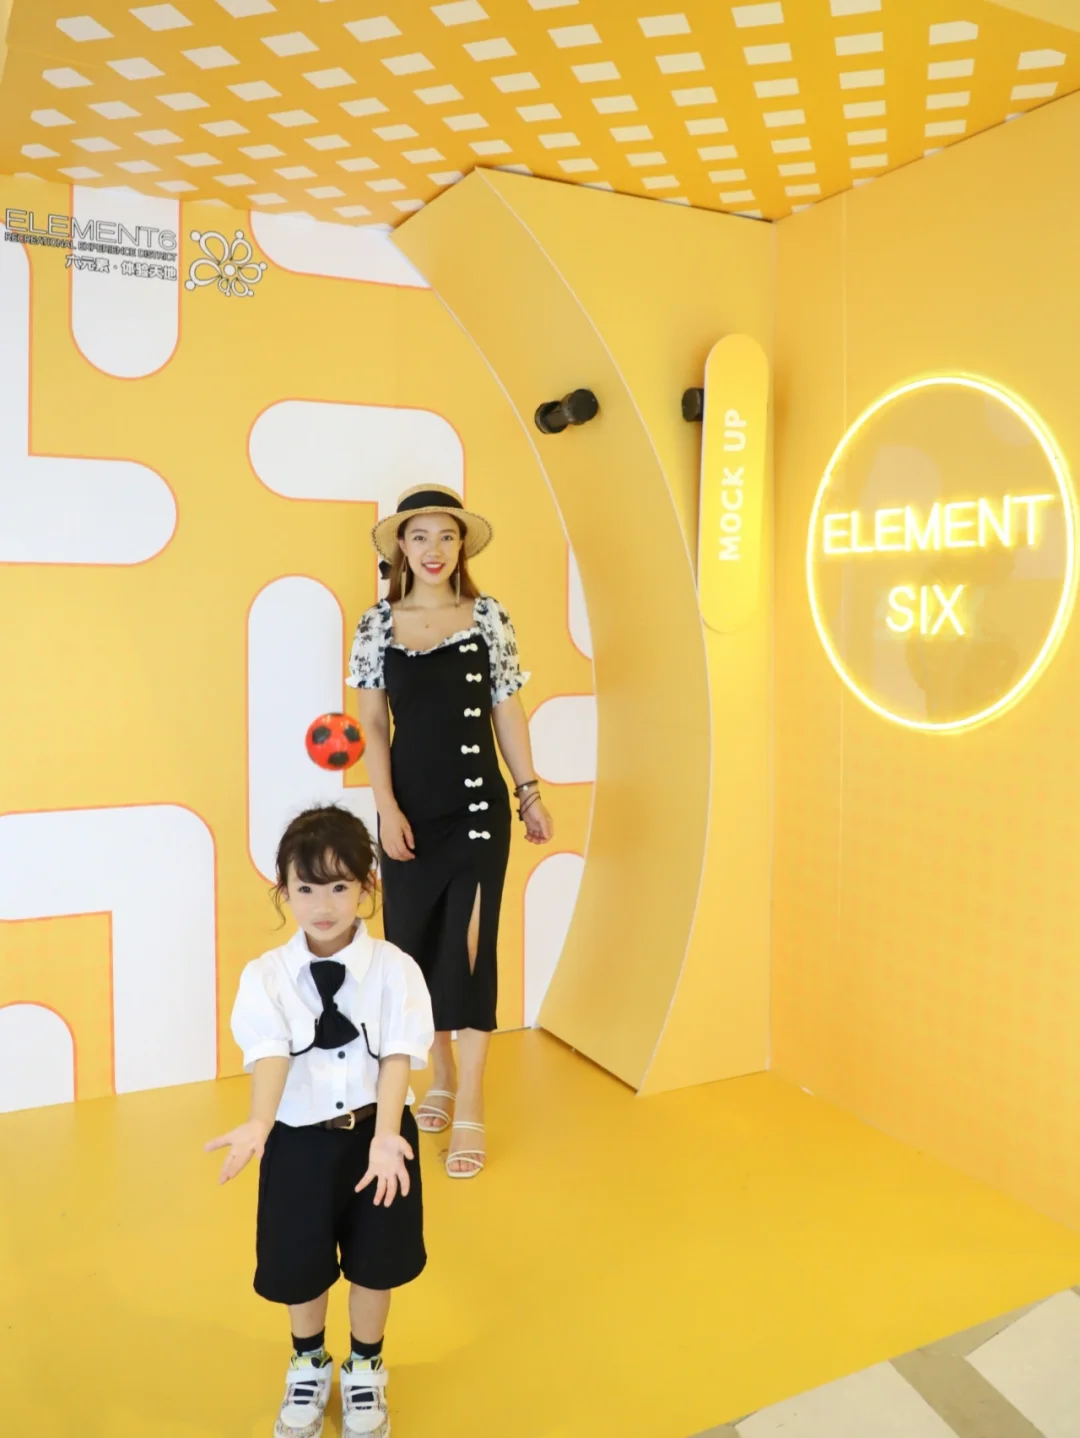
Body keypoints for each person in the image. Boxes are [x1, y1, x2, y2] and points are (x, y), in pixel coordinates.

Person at [206, 805, 434, 1438]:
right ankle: (308, 1361)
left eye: (339, 885)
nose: (323, 905)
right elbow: (271, 1053)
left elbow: (397, 1055)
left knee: (376, 1262)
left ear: (367, 885)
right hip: (298, 1141)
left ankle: (366, 1368)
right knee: (299, 1262)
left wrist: (386, 1137)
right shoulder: (267, 977)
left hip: (379, 1140)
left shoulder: (395, 968)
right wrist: (260, 1123)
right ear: (284, 891)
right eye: (306, 888)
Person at [348, 484, 554, 1179]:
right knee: (414, 951)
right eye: (420, 537)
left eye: (446, 536)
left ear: (461, 546)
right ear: (401, 548)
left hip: (475, 812)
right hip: (408, 810)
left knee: (468, 950)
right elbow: (372, 724)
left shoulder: (487, 616)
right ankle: (439, 1074)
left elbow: (507, 709)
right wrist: (385, 808)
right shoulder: (376, 625)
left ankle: (470, 1098)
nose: (434, 550)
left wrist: (528, 792)